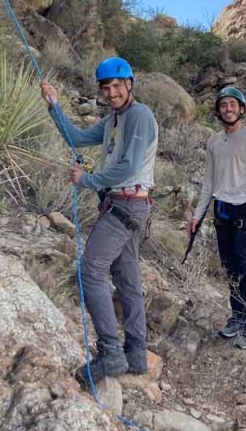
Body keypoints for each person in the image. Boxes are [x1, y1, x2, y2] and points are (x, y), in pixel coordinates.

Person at [40, 56, 158, 381]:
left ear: (129, 85)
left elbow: (130, 166)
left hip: (126, 205)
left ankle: (111, 353)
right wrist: (55, 106)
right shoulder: (112, 121)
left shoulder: (139, 116)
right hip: (128, 205)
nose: (111, 92)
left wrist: (89, 180)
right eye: (106, 87)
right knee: (127, 278)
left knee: (90, 270)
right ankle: (135, 355)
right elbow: (76, 138)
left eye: (116, 86)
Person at [188, 86, 246, 350]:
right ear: (219, 110)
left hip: (244, 212)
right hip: (221, 210)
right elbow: (209, 182)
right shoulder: (213, 141)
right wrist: (197, 216)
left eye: (233, 104)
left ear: (241, 109)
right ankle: (237, 316)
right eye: (224, 105)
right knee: (229, 267)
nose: (228, 109)